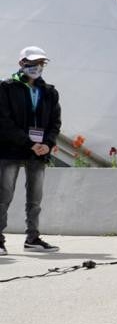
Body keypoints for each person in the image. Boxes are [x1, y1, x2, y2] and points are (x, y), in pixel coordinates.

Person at [0, 46, 63, 255]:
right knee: (4, 196)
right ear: (21, 63)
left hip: (38, 153)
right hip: (10, 151)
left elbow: (55, 122)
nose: (36, 67)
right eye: (32, 63)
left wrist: (48, 143)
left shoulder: (50, 92)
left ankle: (33, 238)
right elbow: (4, 122)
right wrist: (29, 143)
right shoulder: (6, 88)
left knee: (35, 198)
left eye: (40, 63)